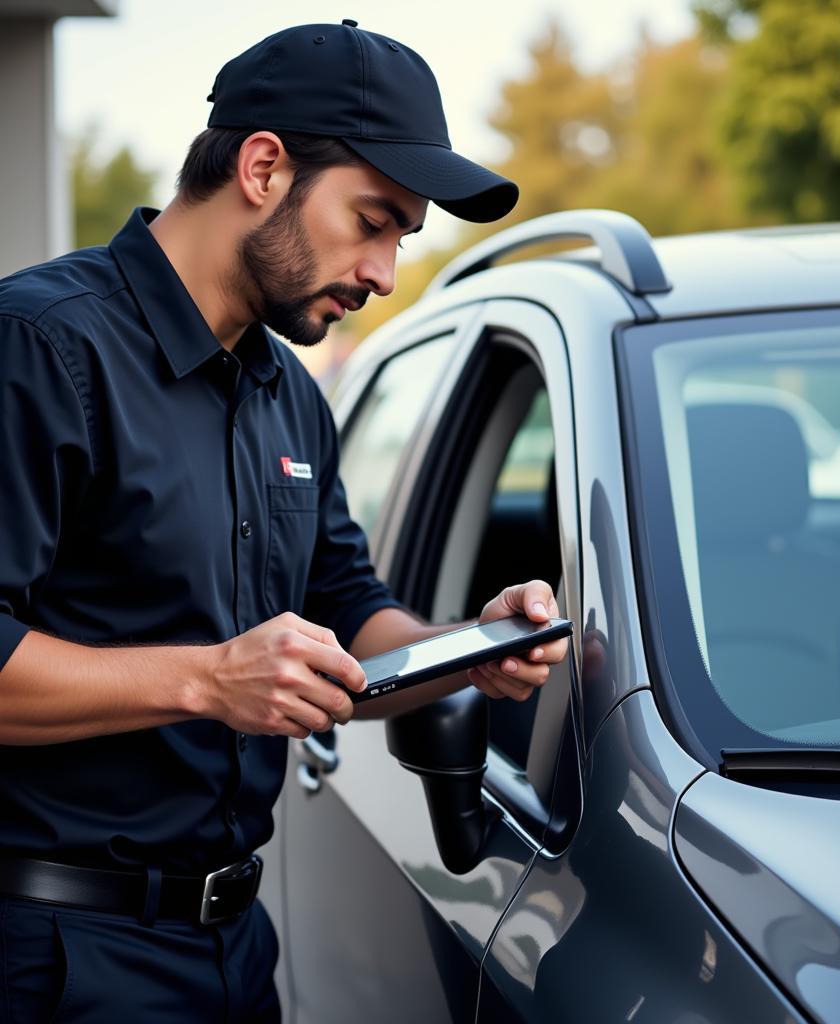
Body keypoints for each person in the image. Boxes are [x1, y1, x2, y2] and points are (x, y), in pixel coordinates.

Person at [0, 20, 568, 1022]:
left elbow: (347, 615)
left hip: (232, 952)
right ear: (263, 166)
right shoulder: (40, 348)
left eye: (402, 236)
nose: (387, 272)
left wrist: (465, 649)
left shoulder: (290, 396)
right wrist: (212, 678)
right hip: (52, 956)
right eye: (373, 220)